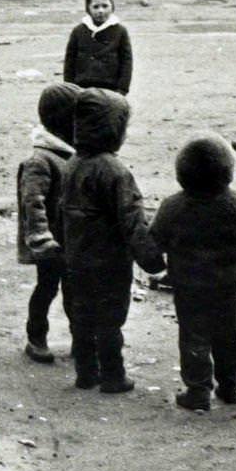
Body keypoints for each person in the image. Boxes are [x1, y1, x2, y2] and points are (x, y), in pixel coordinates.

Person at [58, 89, 163, 393]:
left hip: (76, 258)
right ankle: (113, 375)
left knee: (81, 317)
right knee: (110, 320)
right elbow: (132, 220)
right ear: (113, 129)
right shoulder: (115, 171)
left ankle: (86, 373)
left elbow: (60, 213)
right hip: (110, 261)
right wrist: (153, 260)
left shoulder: (71, 164)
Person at [150, 135, 236, 411]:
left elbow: (156, 238)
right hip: (227, 282)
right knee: (229, 333)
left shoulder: (172, 206)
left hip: (188, 283)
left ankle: (198, 389)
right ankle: (231, 386)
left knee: (194, 335)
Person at [15, 82, 82, 364]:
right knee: (47, 288)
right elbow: (32, 201)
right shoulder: (41, 160)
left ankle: (81, 339)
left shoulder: (71, 155)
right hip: (51, 243)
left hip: (70, 239)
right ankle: (36, 337)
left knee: (73, 292)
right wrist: (41, 237)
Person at [63, 0, 133, 93]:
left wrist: (122, 89)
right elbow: (69, 61)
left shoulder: (120, 31)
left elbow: (126, 62)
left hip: (110, 88)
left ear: (112, 7)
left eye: (105, 6)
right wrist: (70, 87)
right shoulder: (78, 31)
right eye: (95, 7)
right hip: (82, 87)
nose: (101, 11)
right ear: (88, 9)